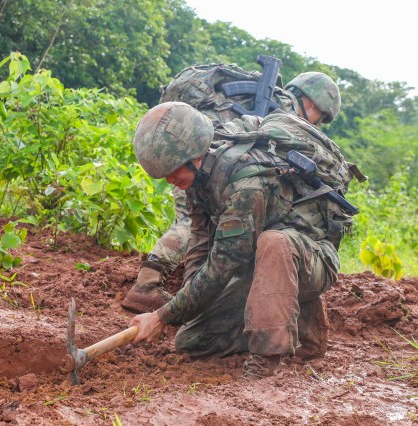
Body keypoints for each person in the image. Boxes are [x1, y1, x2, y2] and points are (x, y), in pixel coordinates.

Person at [127, 72, 354, 380]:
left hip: (311, 259)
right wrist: (188, 308)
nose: (169, 180)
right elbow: (200, 242)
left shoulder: (245, 181)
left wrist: (163, 314)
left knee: (274, 242)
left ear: (194, 153)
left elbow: (222, 265)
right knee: (192, 340)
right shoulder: (199, 178)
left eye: (172, 170)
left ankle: (267, 357)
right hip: (262, 266)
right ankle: (293, 325)